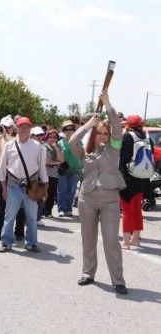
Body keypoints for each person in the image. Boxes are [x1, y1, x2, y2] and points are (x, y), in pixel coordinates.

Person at [69, 91, 127, 295]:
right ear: (94, 135)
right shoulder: (85, 153)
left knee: (111, 240)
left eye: (105, 133)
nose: (103, 136)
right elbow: (72, 143)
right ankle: (88, 273)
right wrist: (88, 124)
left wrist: (107, 104)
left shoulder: (114, 148)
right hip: (87, 200)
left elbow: (118, 129)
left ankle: (118, 280)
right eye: (99, 133)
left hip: (110, 200)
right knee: (88, 238)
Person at [0, 117, 48, 253]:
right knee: (10, 216)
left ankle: (31, 243)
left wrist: (45, 188)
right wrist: (3, 188)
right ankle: (6, 242)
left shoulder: (38, 147)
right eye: (21, 126)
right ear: (17, 128)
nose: (24, 128)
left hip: (32, 186)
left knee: (31, 217)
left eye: (26, 126)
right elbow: (1, 168)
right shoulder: (9, 145)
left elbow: (42, 168)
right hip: (13, 185)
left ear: (30, 128)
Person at [0, 115, 25, 241]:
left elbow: (12, 144)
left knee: (19, 204)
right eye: (5, 127)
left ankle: (18, 231)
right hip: (3, 175)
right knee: (2, 205)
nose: (7, 129)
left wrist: (5, 134)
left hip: (16, 175)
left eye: (9, 127)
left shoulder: (18, 138)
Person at [118, 115, 153, 249]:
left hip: (128, 178)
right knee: (137, 209)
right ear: (140, 124)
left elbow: (123, 160)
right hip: (143, 178)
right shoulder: (148, 137)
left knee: (126, 210)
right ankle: (136, 239)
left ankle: (126, 241)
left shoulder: (128, 137)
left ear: (128, 125)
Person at [57, 120, 82, 217]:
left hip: (75, 169)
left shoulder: (79, 142)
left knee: (72, 190)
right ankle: (61, 209)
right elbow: (58, 157)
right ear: (63, 130)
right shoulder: (60, 142)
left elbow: (82, 155)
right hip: (63, 170)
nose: (68, 131)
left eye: (71, 129)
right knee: (62, 190)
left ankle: (69, 209)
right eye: (66, 129)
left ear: (73, 130)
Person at [42, 129, 64, 218]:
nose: (52, 139)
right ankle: (41, 212)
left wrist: (56, 148)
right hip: (44, 173)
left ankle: (48, 212)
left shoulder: (58, 147)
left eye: (54, 137)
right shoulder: (43, 146)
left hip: (54, 174)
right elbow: (45, 160)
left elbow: (62, 160)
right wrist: (56, 163)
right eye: (50, 137)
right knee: (43, 193)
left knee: (51, 194)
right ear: (47, 137)